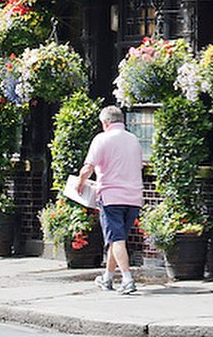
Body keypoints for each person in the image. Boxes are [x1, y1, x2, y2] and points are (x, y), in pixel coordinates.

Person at [77, 105, 144, 295]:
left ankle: (127, 279)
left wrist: (80, 183)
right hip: (134, 197)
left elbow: (88, 167)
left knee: (116, 239)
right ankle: (107, 277)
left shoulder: (102, 139)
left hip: (111, 197)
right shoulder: (134, 140)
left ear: (105, 122)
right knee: (117, 239)